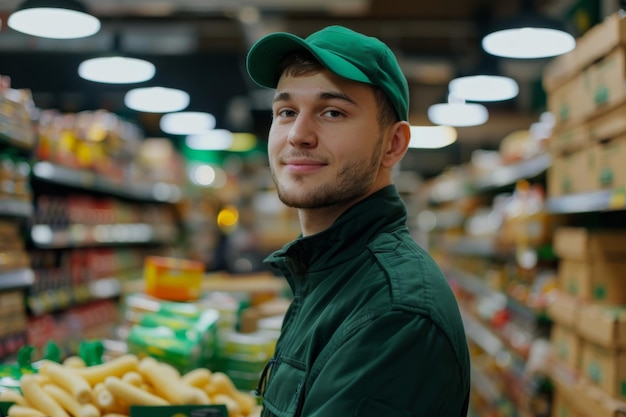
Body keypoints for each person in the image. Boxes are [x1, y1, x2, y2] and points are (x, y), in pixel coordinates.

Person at [245, 25, 470, 417]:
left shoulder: (395, 315)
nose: (298, 135)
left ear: (393, 144)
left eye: (332, 112)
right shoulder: (328, 270)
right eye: (286, 112)